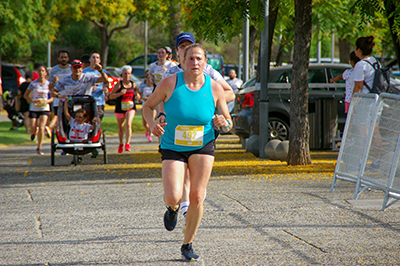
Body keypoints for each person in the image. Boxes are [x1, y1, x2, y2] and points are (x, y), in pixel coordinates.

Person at [142, 44, 232, 261]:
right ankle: (172, 208)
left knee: (197, 196)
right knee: (173, 195)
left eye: (199, 59)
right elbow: (148, 106)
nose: (194, 63)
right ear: (183, 62)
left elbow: (228, 122)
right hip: (173, 146)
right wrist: (151, 123)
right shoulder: (170, 83)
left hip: (203, 145)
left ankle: (188, 243)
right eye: (190, 59)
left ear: (205, 62)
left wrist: (224, 122)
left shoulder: (214, 87)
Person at [159, 32, 235, 229]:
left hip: (203, 128)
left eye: (190, 45)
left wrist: (210, 105)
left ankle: (188, 208)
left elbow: (229, 93)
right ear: (178, 52)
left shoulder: (208, 70)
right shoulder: (170, 74)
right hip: (177, 131)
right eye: (183, 47)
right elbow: (161, 98)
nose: (187, 50)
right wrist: (163, 116)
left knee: (194, 176)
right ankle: (180, 207)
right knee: (181, 174)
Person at [353, 35, 382, 170]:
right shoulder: (376, 62)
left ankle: (361, 161)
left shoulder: (360, 65)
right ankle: (377, 160)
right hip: (377, 101)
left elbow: (358, 87)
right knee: (375, 132)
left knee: (362, 133)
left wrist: (353, 105)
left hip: (365, 101)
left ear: (359, 50)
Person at [24, 64, 53, 155]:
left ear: (46, 73)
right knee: (33, 128)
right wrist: (32, 100)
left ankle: (39, 147)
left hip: (44, 108)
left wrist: (47, 101)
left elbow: (53, 97)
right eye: (39, 71)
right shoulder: (33, 84)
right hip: (34, 108)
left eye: (43, 71)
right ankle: (34, 132)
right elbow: (25, 95)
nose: (41, 73)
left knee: (41, 126)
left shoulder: (49, 84)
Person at [109, 65, 139, 153]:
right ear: (122, 74)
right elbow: (111, 96)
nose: (127, 76)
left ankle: (127, 144)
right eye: (125, 74)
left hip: (130, 108)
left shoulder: (133, 84)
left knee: (128, 124)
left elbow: (136, 91)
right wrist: (119, 94)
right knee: (121, 128)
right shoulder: (119, 84)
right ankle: (121, 143)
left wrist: (137, 95)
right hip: (120, 108)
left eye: (129, 74)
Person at [64, 97, 98, 163]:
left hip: (82, 142)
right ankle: (77, 157)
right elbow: (66, 114)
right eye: (76, 117)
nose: (77, 119)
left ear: (85, 118)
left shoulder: (86, 126)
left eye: (80, 117)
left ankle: (78, 157)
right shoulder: (73, 122)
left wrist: (94, 122)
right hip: (72, 142)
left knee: (80, 151)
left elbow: (92, 128)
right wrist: (66, 103)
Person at [48, 50, 72, 135]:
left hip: (70, 98)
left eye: (65, 57)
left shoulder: (71, 69)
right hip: (58, 98)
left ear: (68, 58)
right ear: (58, 58)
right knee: (59, 117)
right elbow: (50, 87)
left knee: (69, 117)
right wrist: (54, 82)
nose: (64, 59)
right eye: (62, 57)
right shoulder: (54, 70)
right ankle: (59, 134)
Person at [82, 51, 109, 121]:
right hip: (88, 99)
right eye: (93, 57)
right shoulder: (84, 72)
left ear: (100, 60)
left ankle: (97, 131)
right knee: (88, 119)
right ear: (90, 60)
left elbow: (106, 82)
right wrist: (89, 88)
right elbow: (80, 84)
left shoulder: (103, 72)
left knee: (98, 119)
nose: (95, 59)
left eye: (97, 58)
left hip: (99, 100)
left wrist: (106, 88)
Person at [139, 73, 156, 142]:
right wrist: (143, 98)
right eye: (148, 79)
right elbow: (139, 95)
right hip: (145, 106)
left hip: (153, 107)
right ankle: (148, 130)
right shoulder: (143, 86)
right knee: (144, 123)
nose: (149, 80)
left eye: (151, 79)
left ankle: (149, 135)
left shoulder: (155, 87)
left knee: (151, 121)